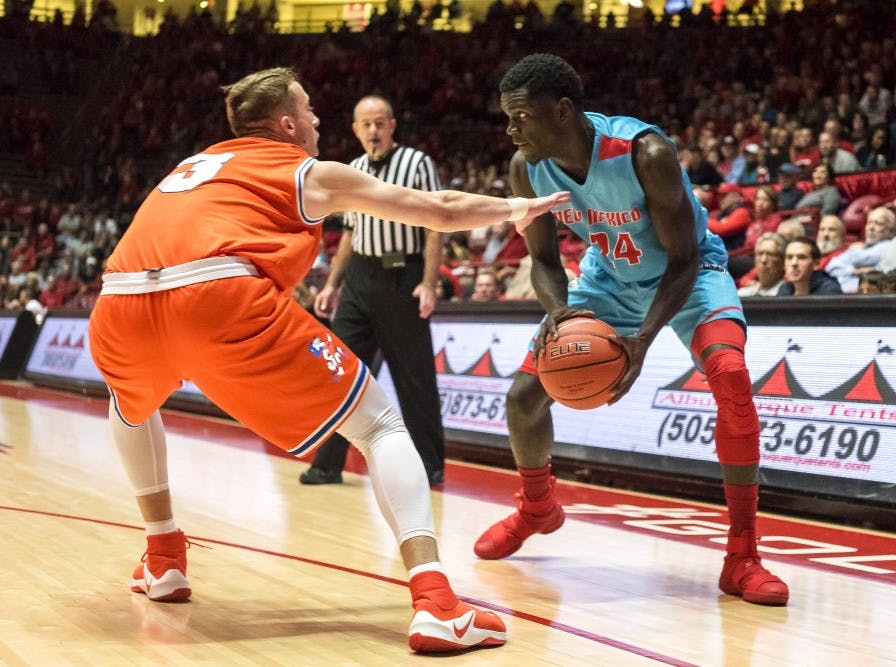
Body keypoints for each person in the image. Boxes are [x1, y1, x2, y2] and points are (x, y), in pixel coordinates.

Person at [86, 67, 569, 653]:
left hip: (119, 302)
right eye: (310, 111)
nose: (318, 121)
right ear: (287, 123)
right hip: (216, 294)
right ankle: (437, 603)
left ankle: (163, 559)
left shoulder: (192, 167)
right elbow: (438, 208)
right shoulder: (304, 170)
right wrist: (516, 207)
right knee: (381, 424)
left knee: (131, 405)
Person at [474, 54, 789, 606]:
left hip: (688, 275)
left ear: (563, 110)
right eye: (508, 117)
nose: (510, 129)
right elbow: (545, 261)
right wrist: (561, 314)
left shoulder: (645, 151)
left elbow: (686, 257)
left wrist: (642, 339)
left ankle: (743, 555)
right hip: (608, 277)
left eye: (520, 116)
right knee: (525, 396)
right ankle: (537, 507)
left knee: (732, 377)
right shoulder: (526, 166)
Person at [299, 95, 447, 488]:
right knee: (339, 372)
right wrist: (332, 283)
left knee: (414, 379)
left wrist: (429, 282)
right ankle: (327, 465)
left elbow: (435, 225)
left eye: (380, 123)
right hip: (361, 278)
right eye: (366, 124)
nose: (373, 131)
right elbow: (350, 231)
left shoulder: (417, 164)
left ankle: (429, 466)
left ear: (392, 125)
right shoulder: (354, 169)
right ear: (355, 129)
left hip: (404, 275)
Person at [825, 206, 896, 293]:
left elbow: (862, 258)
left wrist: (848, 262)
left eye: (878, 224)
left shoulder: (889, 246)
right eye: (869, 222)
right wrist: (855, 271)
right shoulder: (860, 248)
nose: (871, 228)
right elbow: (831, 266)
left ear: (891, 232)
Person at [777, 237, 843, 296]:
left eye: (801, 257)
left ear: (816, 264)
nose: (794, 263)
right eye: (789, 257)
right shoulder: (785, 290)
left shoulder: (829, 290)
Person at [737, 233, 787, 297]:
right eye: (760, 254)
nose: (763, 260)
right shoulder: (742, 294)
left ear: (783, 262)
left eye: (770, 254)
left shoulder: (787, 294)